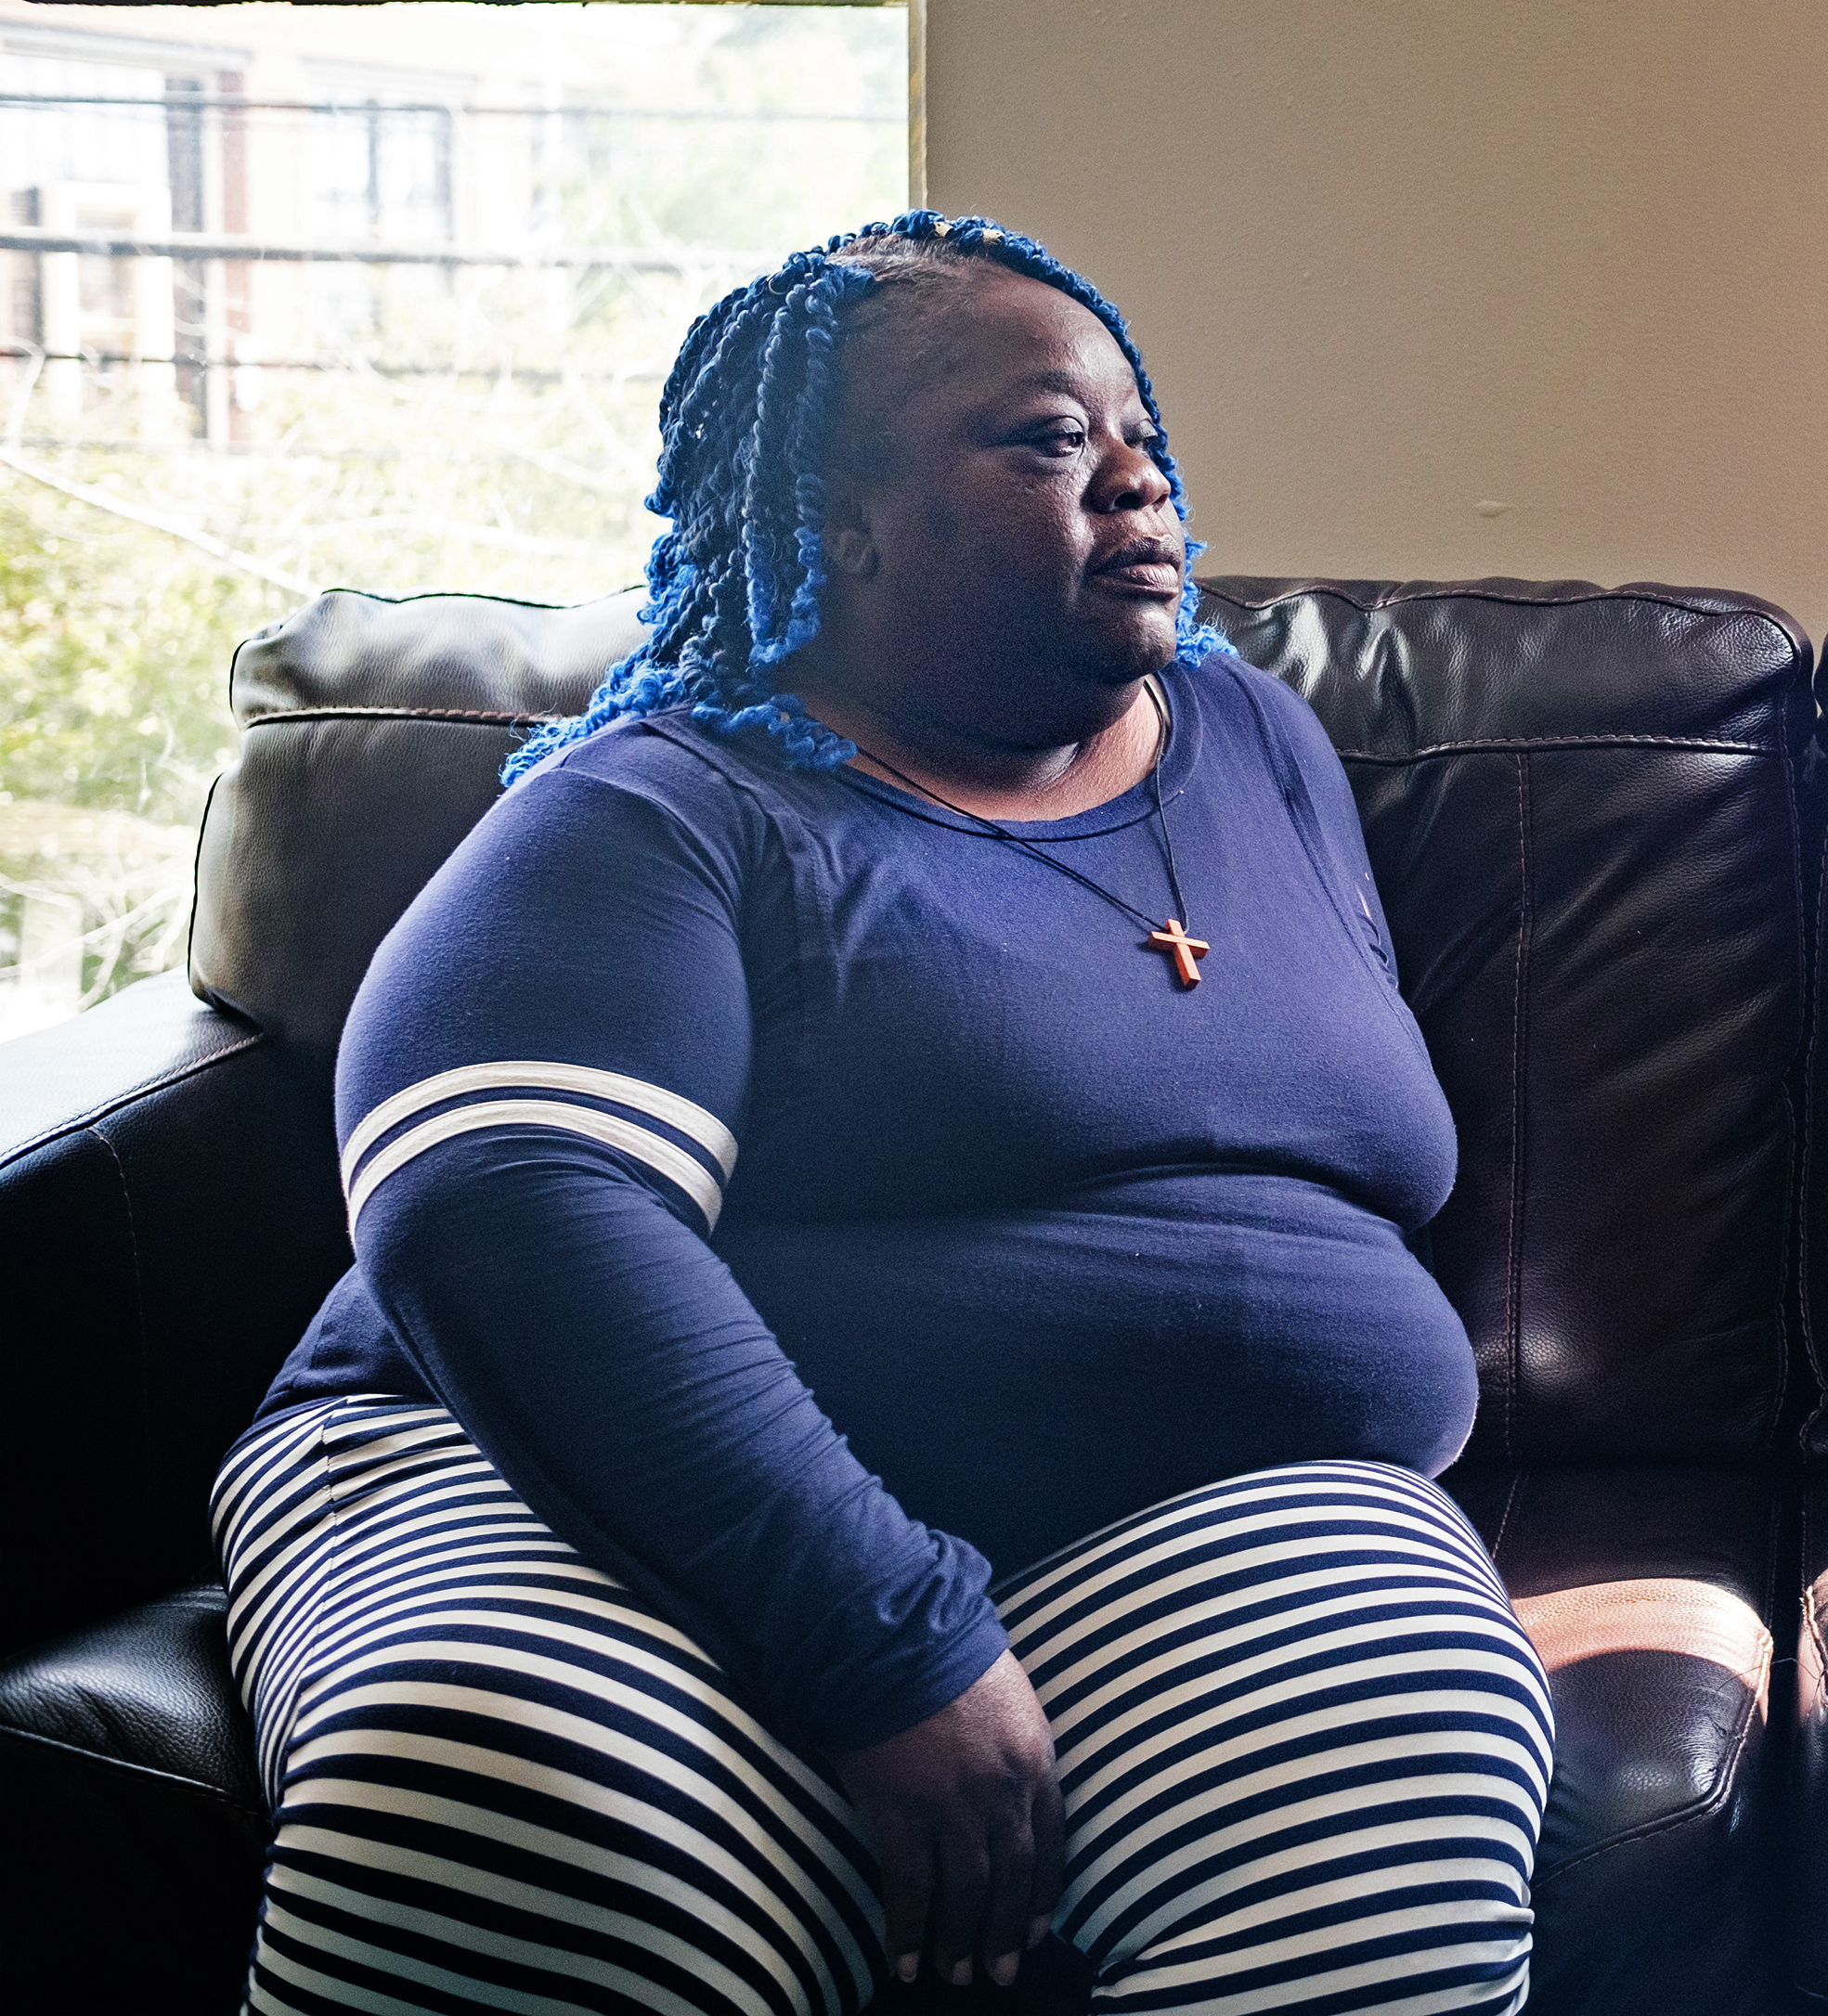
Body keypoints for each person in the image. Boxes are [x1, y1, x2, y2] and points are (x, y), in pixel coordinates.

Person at [216, 213, 1552, 2014]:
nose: (1138, 478)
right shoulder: (672, 802)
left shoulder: (1255, 745)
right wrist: (886, 1643)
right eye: (1046, 438)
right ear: (835, 519)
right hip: (575, 1487)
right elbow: (504, 1197)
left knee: (1403, 1722)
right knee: (526, 1789)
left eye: (1139, 428)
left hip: (1153, 1519)